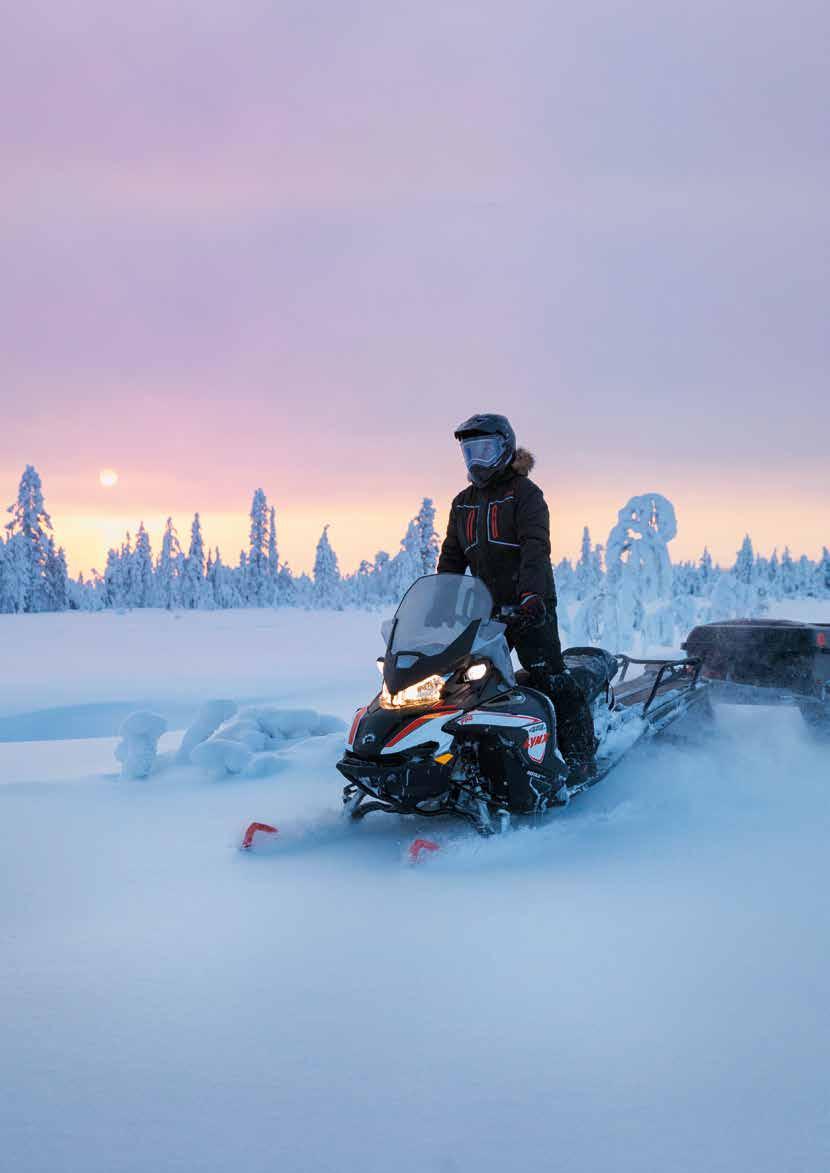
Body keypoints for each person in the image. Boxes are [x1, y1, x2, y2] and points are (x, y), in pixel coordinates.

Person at [436, 413, 596, 793]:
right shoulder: (463, 503)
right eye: (469, 451)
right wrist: (439, 601)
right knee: (462, 684)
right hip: (486, 610)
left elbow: (535, 549)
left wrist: (531, 596)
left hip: (530, 604)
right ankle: (459, 760)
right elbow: (451, 558)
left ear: (505, 449)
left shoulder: (525, 494)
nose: (476, 460)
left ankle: (580, 759)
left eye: (485, 449)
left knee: (548, 676)